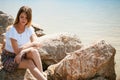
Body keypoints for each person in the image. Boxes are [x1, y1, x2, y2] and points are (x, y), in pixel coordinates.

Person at [1, 6, 47, 80]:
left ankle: (41, 75)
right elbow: (16, 51)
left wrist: (23, 51)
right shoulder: (13, 30)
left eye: (26, 18)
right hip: (9, 57)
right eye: (22, 17)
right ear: (18, 16)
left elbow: (37, 45)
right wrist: (31, 45)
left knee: (34, 51)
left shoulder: (29, 28)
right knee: (30, 63)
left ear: (29, 18)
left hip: (21, 54)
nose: (24, 19)